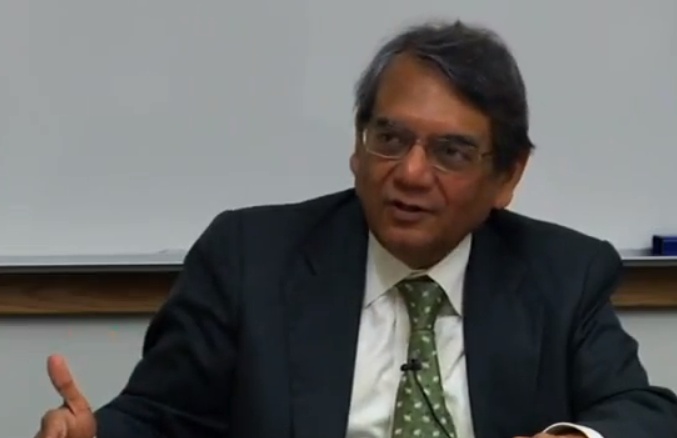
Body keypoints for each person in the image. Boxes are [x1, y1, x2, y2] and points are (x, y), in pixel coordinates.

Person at [35, 19, 677, 438]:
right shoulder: (251, 260)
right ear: (357, 145)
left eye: (451, 152)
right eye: (389, 139)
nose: (411, 173)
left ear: (507, 177)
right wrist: (95, 434)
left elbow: (646, 414)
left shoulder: (561, 275)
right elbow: (161, 418)